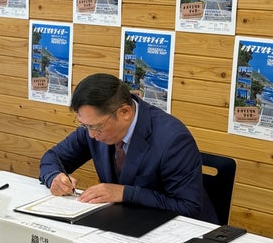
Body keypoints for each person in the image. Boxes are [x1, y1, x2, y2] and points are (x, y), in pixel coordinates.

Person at [39, 73, 218, 223]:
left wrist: (126, 193)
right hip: (125, 223)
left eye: (96, 127)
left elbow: (188, 207)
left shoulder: (172, 140)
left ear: (124, 112)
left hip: (179, 235)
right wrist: (54, 177)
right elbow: (52, 158)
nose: (91, 135)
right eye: (85, 126)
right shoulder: (92, 129)